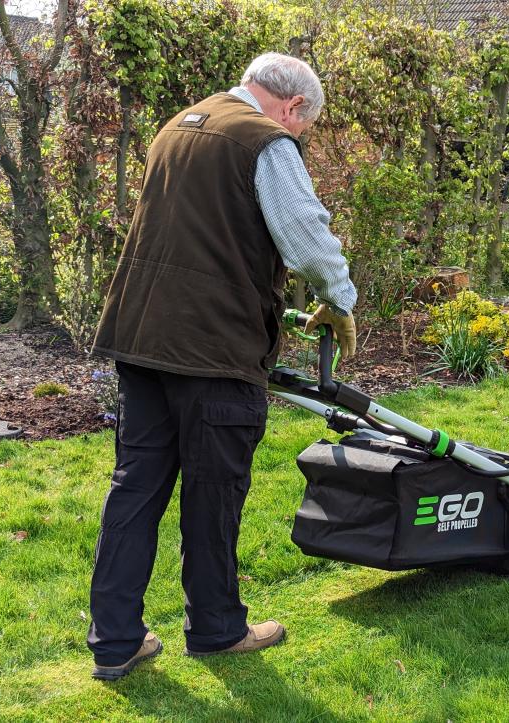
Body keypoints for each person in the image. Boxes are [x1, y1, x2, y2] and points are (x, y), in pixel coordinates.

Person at [87, 52, 358, 681]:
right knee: (214, 495)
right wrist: (337, 299)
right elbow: (306, 238)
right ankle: (216, 629)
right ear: (292, 107)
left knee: (135, 488)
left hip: (141, 338)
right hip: (211, 347)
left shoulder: (180, 125)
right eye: (302, 128)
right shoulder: (263, 141)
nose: (298, 137)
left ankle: (115, 642)